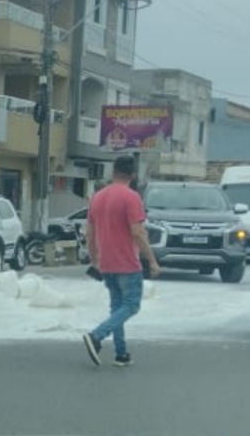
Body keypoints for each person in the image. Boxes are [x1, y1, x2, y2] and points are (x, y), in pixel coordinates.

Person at [82, 154, 161, 367]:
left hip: (106, 262)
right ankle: (97, 335)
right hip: (127, 262)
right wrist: (152, 260)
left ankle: (121, 353)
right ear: (133, 175)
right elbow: (138, 232)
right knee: (131, 305)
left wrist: (94, 257)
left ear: (113, 171)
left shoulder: (97, 197)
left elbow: (89, 232)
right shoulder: (131, 197)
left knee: (117, 307)